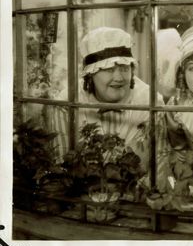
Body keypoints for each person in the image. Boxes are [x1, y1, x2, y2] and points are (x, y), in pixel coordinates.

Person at [49, 27, 163, 171]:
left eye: (124, 68)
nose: (119, 78)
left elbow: (156, 165)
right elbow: (61, 165)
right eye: (109, 69)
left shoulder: (150, 102)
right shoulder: (66, 104)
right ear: (90, 74)